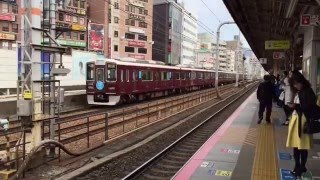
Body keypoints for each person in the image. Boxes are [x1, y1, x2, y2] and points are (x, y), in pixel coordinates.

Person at [286, 70, 316, 178]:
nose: (295, 86)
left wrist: (296, 106)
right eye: (293, 84)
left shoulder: (308, 91)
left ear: (301, 81)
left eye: (296, 83)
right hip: (296, 120)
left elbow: (310, 107)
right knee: (295, 145)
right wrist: (292, 106)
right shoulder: (299, 91)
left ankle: (301, 166)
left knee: (302, 146)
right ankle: (297, 165)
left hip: (303, 122)